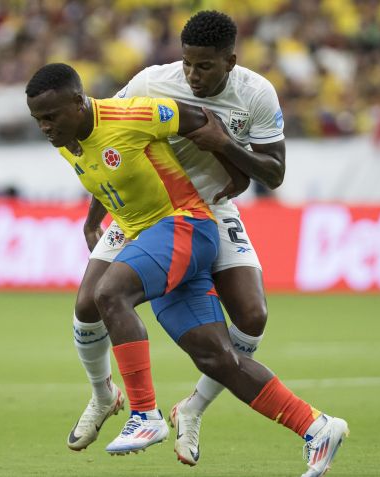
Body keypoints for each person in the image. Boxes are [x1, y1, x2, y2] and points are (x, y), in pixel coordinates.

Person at [26, 62, 347, 477]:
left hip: (184, 224)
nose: (45, 127)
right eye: (38, 120)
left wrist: (234, 166)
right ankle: (318, 427)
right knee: (217, 358)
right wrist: (93, 219)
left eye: (50, 117)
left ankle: (145, 414)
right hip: (151, 236)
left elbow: (195, 117)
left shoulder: (131, 113)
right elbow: (113, 178)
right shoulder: (69, 140)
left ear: (78, 101)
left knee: (109, 294)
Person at [68, 10, 288, 466]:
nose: (192, 75)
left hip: (208, 209)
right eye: (187, 63)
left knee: (252, 315)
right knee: (89, 304)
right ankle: (102, 394)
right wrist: (97, 215)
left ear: (230, 60)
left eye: (204, 66)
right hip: (142, 211)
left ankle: (193, 409)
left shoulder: (257, 94)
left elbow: (275, 172)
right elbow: (108, 140)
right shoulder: (151, 82)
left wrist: (225, 144)